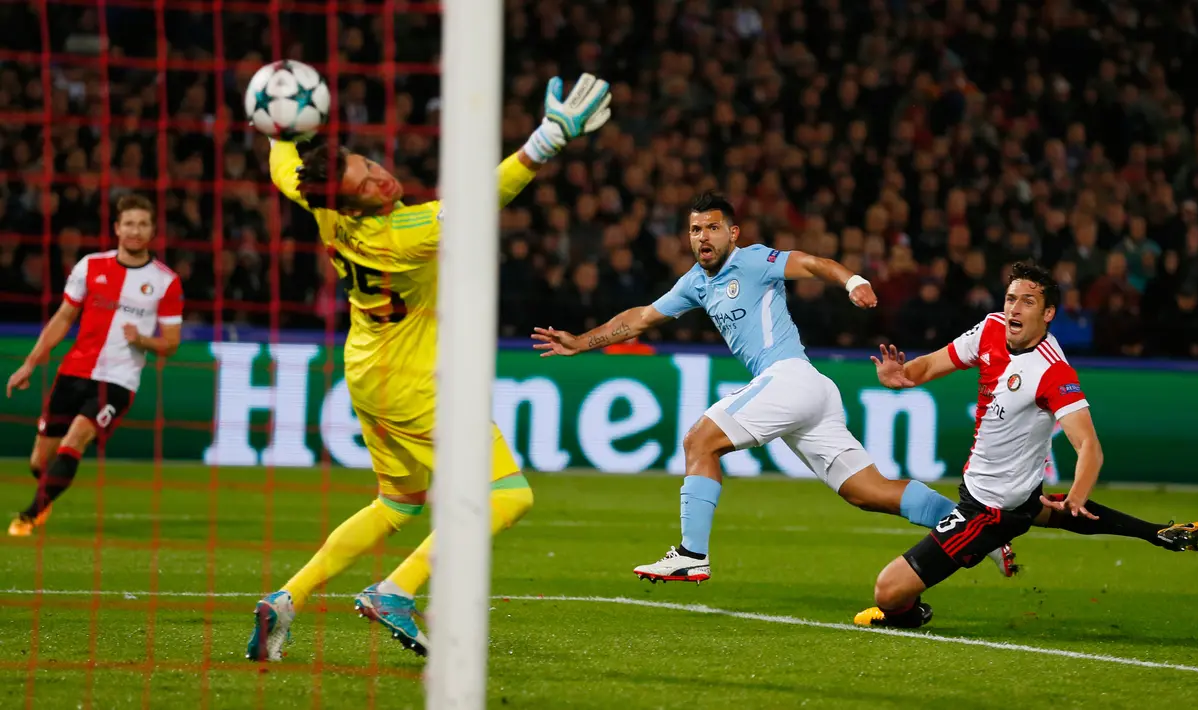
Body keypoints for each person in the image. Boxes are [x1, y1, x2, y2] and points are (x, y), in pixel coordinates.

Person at [245, 73, 612, 661]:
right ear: (353, 203)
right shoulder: (401, 232)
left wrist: (277, 131)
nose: (378, 177)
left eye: (369, 164)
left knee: (398, 502)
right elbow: (482, 199)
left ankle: (286, 599)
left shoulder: (321, 206)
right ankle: (395, 591)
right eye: (365, 183)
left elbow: (283, 169)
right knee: (508, 496)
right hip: (418, 385)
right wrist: (548, 138)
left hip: (368, 372)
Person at [532, 192, 1016, 583]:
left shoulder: (754, 260)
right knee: (869, 492)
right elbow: (638, 318)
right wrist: (581, 342)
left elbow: (811, 263)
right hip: (809, 393)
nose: (703, 236)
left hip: (789, 378)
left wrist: (852, 281)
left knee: (700, 441)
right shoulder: (696, 282)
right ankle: (972, 529)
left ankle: (690, 554)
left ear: (732, 233)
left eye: (713, 227)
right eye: (695, 229)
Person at [854, 262, 1198, 629]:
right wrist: (902, 375)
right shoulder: (991, 328)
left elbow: (1089, 444)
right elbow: (931, 365)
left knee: (887, 591)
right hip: (1018, 495)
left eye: (1027, 301)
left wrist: (1077, 494)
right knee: (1045, 509)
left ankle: (907, 615)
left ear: (1048, 313)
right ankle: (1155, 533)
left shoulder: (1052, 371)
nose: (1014, 308)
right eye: (1011, 299)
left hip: (990, 511)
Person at [5, 195, 183, 536]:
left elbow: (171, 343)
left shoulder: (166, 281)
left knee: (78, 437)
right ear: (117, 228)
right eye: (129, 223)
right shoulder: (90, 266)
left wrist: (143, 340)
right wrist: (29, 364)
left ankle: (28, 517)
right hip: (74, 372)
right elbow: (63, 317)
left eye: (142, 224)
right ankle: (47, 496)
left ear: (153, 231)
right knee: (40, 462)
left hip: (118, 380)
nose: (135, 230)